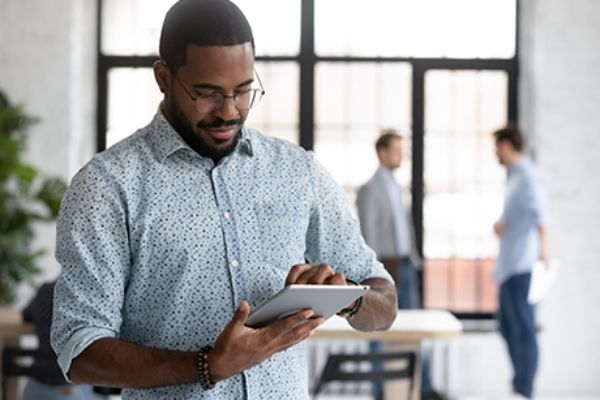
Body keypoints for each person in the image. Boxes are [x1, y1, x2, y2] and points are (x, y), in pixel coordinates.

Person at [50, 1, 397, 399]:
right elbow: (79, 349)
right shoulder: (108, 186)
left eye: (244, 91)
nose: (230, 112)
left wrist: (346, 296)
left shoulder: (297, 172)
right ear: (163, 77)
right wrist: (208, 365)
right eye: (208, 94)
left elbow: (383, 303)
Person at [356, 130, 442, 400]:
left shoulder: (397, 186)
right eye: (396, 150)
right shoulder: (370, 189)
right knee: (378, 324)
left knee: (415, 326)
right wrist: (373, 271)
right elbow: (368, 232)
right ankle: (379, 390)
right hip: (384, 267)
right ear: (382, 152)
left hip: (406, 264)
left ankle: (423, 387)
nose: (401, 155)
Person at [493, 125, 549, 399]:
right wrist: (503, 225)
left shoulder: (528, 175)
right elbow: (519, 215)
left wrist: (544, 253)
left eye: (496, 147)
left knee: (525, 328)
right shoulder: (513, 177)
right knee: (505, 325)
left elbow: (541, 216)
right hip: (508, 265)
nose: (495, 153)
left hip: (523, 266)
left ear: (506, 145)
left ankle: (525, 390)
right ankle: (519, 384)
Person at [20, 282, 106, 400]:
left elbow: (26, 315)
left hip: (35, 385)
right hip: (68, 389)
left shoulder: (45, 291)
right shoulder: (89, 296)